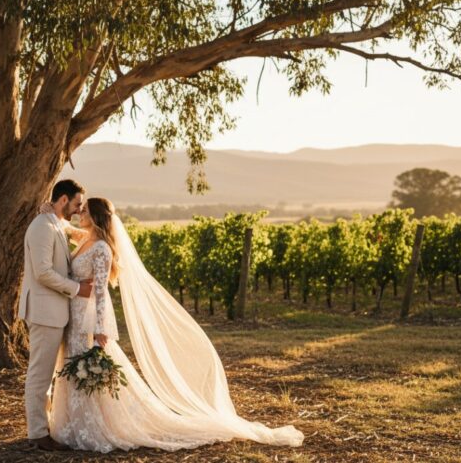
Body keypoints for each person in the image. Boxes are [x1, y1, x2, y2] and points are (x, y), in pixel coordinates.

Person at [46, 197, 304, 452]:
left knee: (87, 369)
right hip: (74, 315)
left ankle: (92, 427)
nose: (80, 213)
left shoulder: (102, 248)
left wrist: (101, 329)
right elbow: (66, 229)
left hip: (88, 318)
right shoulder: (86, 239)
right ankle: (75, 424)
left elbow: (102, 291)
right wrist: (51, 213)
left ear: (96, 217)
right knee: (74, 365)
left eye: (85, 210)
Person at [17, 179, 93, 451]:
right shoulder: (42, 227)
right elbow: (43, 273)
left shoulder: (54, 222)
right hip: (44, 311)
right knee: (40, 375)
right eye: (77, 203)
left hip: (53, 311)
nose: (79, 209)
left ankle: (44, 427)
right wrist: (77, 289)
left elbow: (74, 231)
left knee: (46, 374)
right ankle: (37, 434)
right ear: (63, 200)